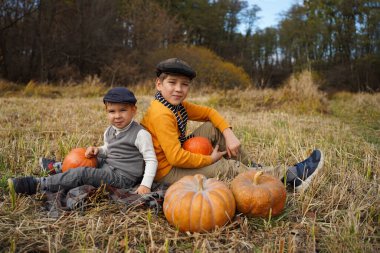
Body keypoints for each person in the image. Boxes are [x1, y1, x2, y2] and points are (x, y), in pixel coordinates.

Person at [140, 58, 324, 192]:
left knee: (214, 128)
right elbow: (176, 158)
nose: (178, 89)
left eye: (184, 84)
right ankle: (291, 178)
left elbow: (209, 113)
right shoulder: (161, 114)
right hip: (166, 171)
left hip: (175, 154)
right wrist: (210, 160)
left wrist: (228, 134)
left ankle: (253, 168)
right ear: (159, 84)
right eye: (172, 82)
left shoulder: (176, 106)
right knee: (225, 167)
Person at [8, 87, 158, 195]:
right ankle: (58, 167)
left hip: (122, 178)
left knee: (83, 173)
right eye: (112, 111)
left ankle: (38, 184)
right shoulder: (109, 131)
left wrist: (145, 185)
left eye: (123, 110)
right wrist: (99, 150)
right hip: (108, 166)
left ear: (134, 110)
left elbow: (151, 160)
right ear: (106, 112)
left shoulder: (140, 134)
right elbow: (109, 149)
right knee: (85, 156)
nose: (117, 116)